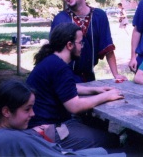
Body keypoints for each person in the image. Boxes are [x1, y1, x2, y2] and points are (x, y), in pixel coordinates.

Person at [27, 23, 124, 151]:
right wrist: (106, 96)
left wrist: (94, 90)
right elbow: (75, 106)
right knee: (111, 140)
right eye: (80, 43)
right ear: (69, 45)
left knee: (98, 125)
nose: (82, 47)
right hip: (47, 130)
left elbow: (65, 87)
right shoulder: (59, 67)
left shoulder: (52, 61)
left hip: (42, 125)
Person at [0, 80, 121, 156]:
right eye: (27, 109)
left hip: (60, 151)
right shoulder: (15, 140)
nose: (33, 114)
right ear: (6, 111)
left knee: (106, 150)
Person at [51, 0, 127, 82]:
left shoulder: (99, 15)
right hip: (64, 77)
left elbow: (108, 46)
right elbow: (53, 51)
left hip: (89, 77)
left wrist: (116, 74)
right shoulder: (60, 18)